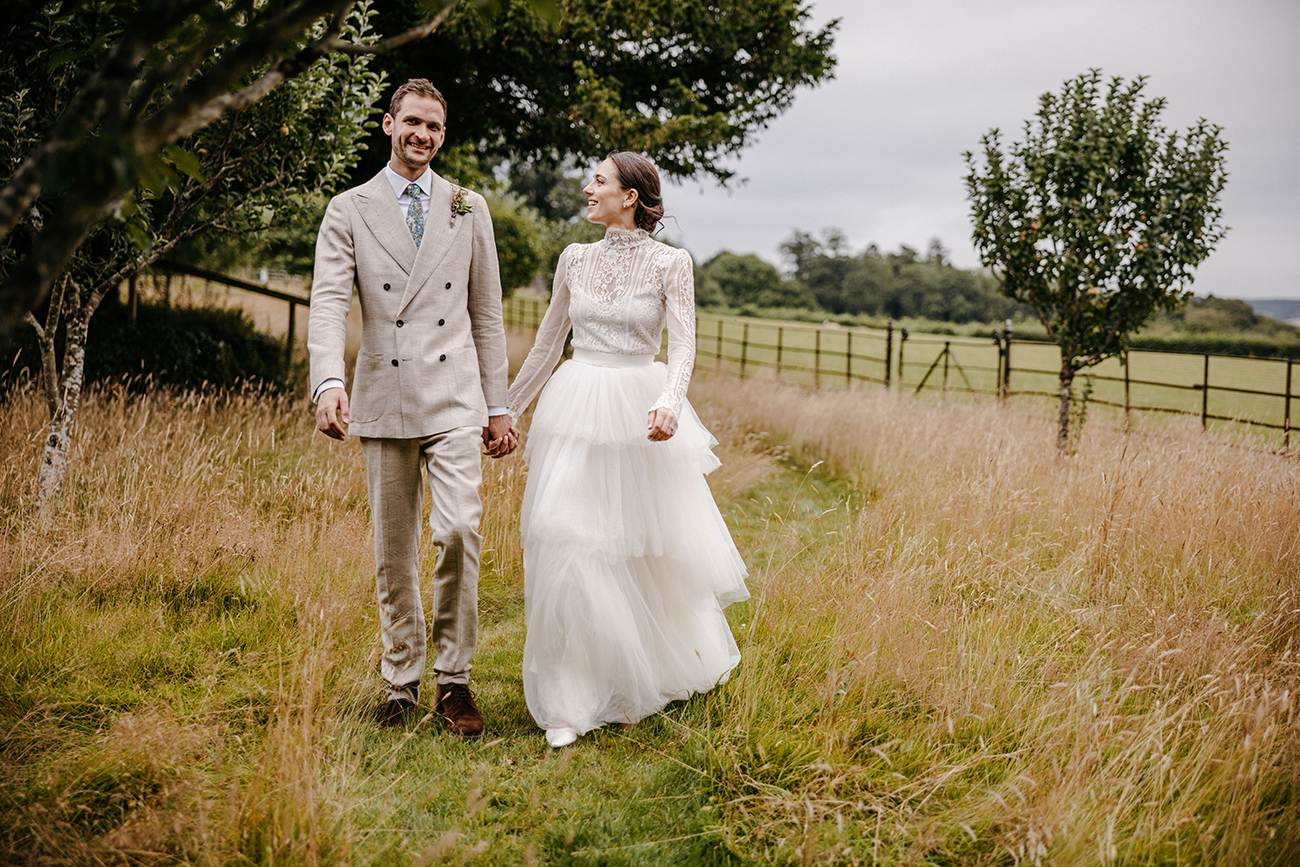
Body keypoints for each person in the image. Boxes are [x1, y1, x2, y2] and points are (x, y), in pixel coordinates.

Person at [507, 152, 749, 748]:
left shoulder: (673, 263)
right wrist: (505, 410)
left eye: (598, 181)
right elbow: (546, 346)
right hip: (577, 404)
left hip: (640, 408)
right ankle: (569, 695)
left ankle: (634, 683)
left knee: (635, 550)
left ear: (630, 196)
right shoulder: (574, 258)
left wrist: (670, 399)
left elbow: (685, 343)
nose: (587, 189)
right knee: (567, 537)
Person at [307, 78, 518, 737]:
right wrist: (326, 382)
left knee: (459, 530)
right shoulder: (349, 209)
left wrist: (499, 405)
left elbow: (486, 314)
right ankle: (400, 680)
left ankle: (454, 679)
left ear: (443, 135)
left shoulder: (468, 206)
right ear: (388, 124)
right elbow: (328, 302)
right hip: (383, 393)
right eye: (413, 123)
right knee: (393, 549)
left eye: (435, 126)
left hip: (456, 397)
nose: (423, 135)